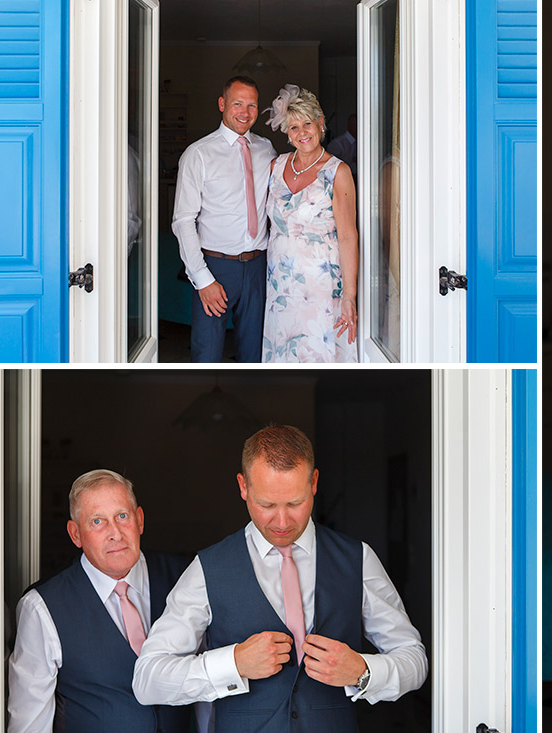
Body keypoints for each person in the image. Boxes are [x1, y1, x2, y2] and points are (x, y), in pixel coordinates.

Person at [132, 425, 427, 730]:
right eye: (267, 505)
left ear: (313, 483)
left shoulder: (358, 558)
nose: (283, 522)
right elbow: (149, 679)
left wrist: (364, 672)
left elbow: (414, 661)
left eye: (295, 503)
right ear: (243, 487)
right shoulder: (207, 568)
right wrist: (233, 664)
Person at [7, 470, 194, 733]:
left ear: (139, 520)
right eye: (97, 521)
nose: (115, 533)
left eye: (122, 516)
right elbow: (30, 722)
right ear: (76, 534)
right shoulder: (42, 607)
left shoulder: (186, 578)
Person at [173, 76, 276, 363]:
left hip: (258, 266)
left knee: (255, 353)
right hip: (216, 267)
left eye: (252, 105)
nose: (245, 112)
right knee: (207, 353)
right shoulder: (198, 154)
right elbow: (183, 220)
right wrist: (203, 279)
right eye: (237, 103)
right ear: (222, 104)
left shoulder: (266, 149)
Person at [260, 85, 359, 362]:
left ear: (321, 123)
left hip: (322, 289)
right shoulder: (275, 167)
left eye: (307, 123)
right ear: (287, 133)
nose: (302, 132)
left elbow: (349, 236)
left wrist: (349, 296)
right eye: (294, 127)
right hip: (280, 286)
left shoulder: (337, 172)